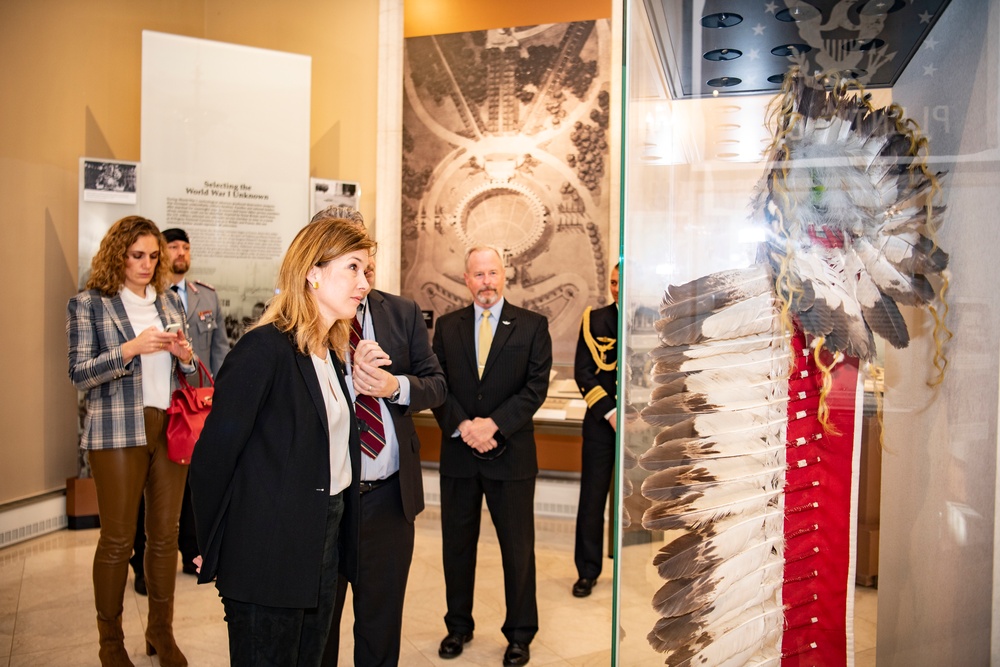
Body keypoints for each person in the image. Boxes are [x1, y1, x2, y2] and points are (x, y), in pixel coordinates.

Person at [189, 218, 372, 666]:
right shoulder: (264, 350)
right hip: (268, 547)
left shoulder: (329, 352)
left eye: (366, 271)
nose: (364, 283)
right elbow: (214, 455)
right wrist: (202, 541)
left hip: (322, 539)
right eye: (353, 268)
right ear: (312, 272)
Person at [312, 206, 446, 667]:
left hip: (390, 499)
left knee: (381, 626)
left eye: (363, 253)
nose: (362, 268)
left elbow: (437, 383)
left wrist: (394, 387)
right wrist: (349, 378)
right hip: (329, 499)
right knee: (320, 625)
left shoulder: (402, 312)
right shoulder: (305, 324)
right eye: (348, 257)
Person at [66, 215, 196, 667]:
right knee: (118, 540)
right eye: (137, 255)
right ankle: (110, 643)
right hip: (118, 427)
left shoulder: (169, 304)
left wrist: (185, 356)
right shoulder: (90, 304)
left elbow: (193, 372)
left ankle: (161, 632)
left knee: (165, 537)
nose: (146, 264)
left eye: (153, 256)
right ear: (117, 254)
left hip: (169, 425)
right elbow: (79, 373)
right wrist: (130, 349)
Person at [431, 246, 552, 667]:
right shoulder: (447, 327)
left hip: (512, 457)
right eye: (478, 274)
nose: (487, 281)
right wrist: (466, 427)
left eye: (493, 273)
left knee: (518, 551)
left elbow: (535, 388)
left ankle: (519, 634)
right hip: (459, 456)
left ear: (506, 275)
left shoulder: (533, 325)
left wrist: (493, 425)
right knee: (456, 548)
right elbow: (437, 385)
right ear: (467, 279)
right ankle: (458, 626)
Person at [130, 227, 228, 594]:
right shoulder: (152, 297)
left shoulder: (207, 296)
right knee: (151, 489)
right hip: (161, 403)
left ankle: (192, 552)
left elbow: (219, 350)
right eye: (172, 246)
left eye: (185, 246)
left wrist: (218, 394)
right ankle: (143, 564)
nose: (180, 252)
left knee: (194, 482)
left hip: (196, 407)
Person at [571, 263, 619, 598]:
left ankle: (638, 564)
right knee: (592, 498)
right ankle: (587, 570)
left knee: (643, 498)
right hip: (601, 422)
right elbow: (584, 373)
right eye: (614, 282)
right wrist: (611, 412)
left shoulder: (655, 317)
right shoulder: (595, 319)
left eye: (623, 282)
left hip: (642, 425)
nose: (617, 288)